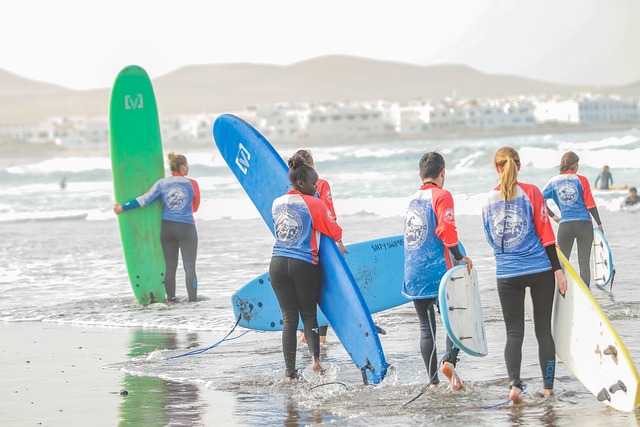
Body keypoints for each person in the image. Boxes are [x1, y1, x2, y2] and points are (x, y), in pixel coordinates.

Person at [482, 147, 567, 404]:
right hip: (540, 270)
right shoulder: (531, 192)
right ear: (519, 166)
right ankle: (548, 389)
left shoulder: (487, 200)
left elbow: (492, 238)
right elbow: (546, 233)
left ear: (496, 168)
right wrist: (558, 270)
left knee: (514, 333)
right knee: (543, 330)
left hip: (507, 274)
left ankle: (514, 387)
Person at [269, 156, 346, 380]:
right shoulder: (314, 203)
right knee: (309, 316)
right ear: (302, 183)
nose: (317, 188)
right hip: (303, 264)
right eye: (314, 184)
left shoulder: (277, 203)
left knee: (289, 318)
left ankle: (290, 372)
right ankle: (315, 362)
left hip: (277, 264)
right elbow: (334, 231)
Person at [403, 152, 473, 392]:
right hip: (438, 272)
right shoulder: (442, 195)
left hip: (413, 272)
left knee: (426, 329)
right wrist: (459, 257)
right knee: (456, 321)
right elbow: (446, 229)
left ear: (420, 175)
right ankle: (448, 362)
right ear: (443, 173)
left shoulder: (412, 199)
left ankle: (432, 383)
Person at [114, 152, 200, 303]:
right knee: (189, 267)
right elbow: (196, 207)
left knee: (170, 267)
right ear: (182, 167)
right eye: (187, 165)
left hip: (167, 228)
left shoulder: (162, 183)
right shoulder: (192, 184)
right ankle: (192, 302)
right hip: (186, 228)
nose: (188, 168)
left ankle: (171, 300)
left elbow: (144, 200)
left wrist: (123, 207)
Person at [292, 149, 339, 345]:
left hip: (297, 245)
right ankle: (321, 337)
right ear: (311, 166)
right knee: (322, 287)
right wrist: (338, 243)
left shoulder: (292, 187)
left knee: (302, 290)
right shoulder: (321, 184)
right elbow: (329, 213)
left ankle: (304, 333)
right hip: (321, 242)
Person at [542, 151, 603, 287]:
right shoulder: (582, 180)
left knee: (562, 264)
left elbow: (539, 200)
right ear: (575, 165)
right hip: (584, 225)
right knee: (584, 262)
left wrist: (553, 216)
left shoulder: (554, 181)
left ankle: (560, 294)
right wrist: (599, 223)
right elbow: (590, 204)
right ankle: (586, 293)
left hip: (566, 226)